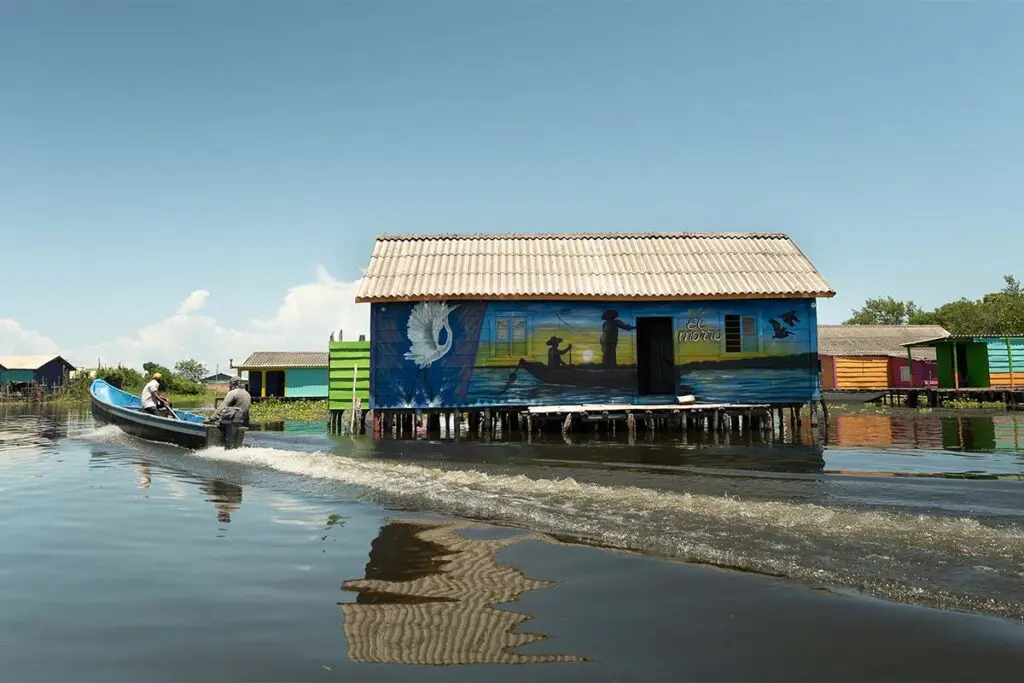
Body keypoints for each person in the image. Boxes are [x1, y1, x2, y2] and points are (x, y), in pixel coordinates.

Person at [206, 378, 252, 446]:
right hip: (243, 422)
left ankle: (219, 443)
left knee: (215, 422)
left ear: (232, 385)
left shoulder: (232, 393)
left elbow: (222, 407)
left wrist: (211, 418)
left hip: (233, 421)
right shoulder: (247, 393)